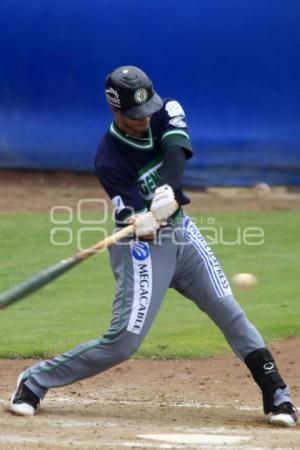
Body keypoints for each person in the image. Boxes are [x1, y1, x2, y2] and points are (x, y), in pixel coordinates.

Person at [9, 66, 297, 427]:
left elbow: (176, 151)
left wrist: (168, 191)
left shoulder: (166, 109)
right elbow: (135, 216)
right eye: (135, 115)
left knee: (227, 309)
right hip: (140, 248)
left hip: (182, 234)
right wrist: (142, 220)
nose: (145, 119)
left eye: (148, 110)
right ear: (116, 110)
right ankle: (34, 381)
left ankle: (277, 393)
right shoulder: (109, 158)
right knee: (124, 342)